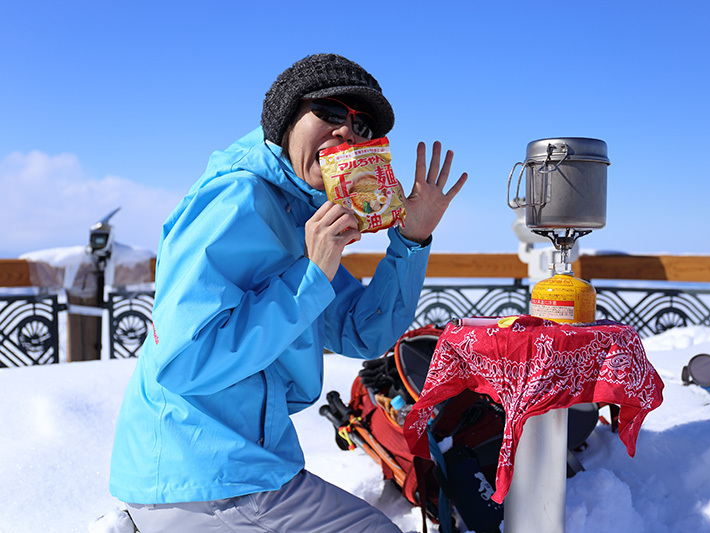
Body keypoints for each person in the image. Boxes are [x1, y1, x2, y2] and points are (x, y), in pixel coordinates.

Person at [109, 53, 467, 532]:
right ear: (286, 117)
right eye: (332, 113)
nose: (347, 133)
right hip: (200, 473)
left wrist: (412, 240)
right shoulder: (238, 198)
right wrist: (312, 276)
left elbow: (364, 332)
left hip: (246, 465)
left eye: (361, 126)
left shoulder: (302, 213)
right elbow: (185, 360)